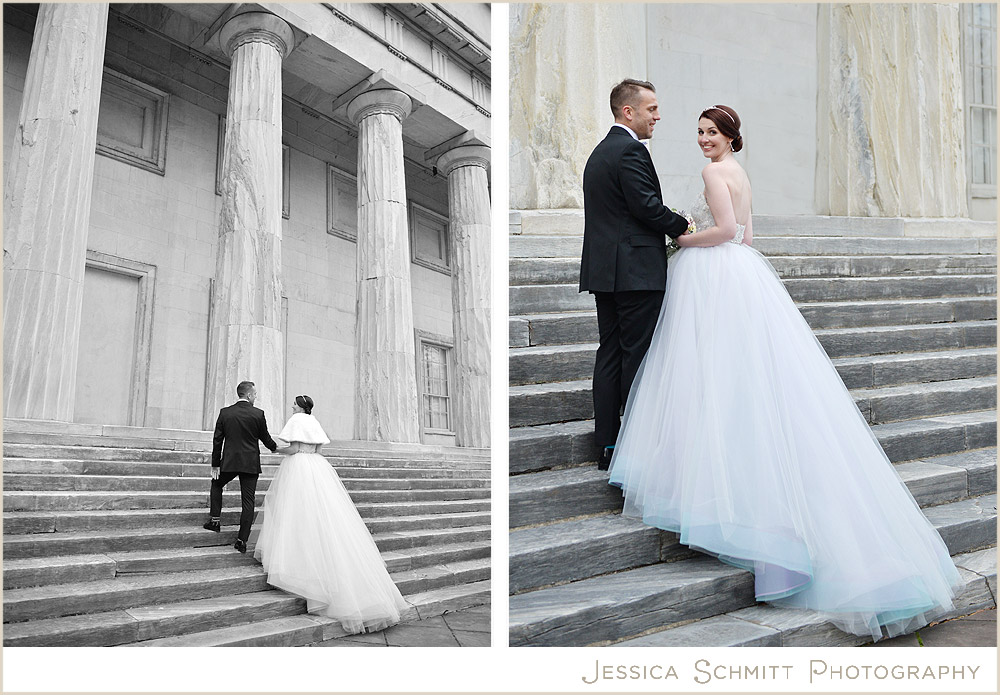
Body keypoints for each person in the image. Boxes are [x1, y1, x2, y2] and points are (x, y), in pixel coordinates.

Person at [607, 105, 962, 640]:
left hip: (715, 275)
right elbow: (748, 236)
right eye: (700, 133)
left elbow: (726, 231)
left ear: (730, 137)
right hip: (745, 274)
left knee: (709, 373)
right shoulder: (741, 173)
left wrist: (683, 240)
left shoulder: (712, 173)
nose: (704, 140)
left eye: (712, 133)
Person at [579, 78, 691, 470]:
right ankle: (635, 447)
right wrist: (684, 225)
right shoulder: (630, 151)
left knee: (609, 355)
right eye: (652, 109)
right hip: (636, 273)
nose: (657, 116)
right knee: (639, 358)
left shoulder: (599, 153)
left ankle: (607, 445)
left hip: (604, 273)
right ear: (629, 111)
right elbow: (646, 207)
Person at [253, 395, 407, 634]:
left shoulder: (296, 419)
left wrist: (275, 449)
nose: (292, 406)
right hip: (318, 466)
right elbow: (320, 447)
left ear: (301, 406)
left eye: (294, 403)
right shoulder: (314, 421)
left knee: (297, 513)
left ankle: (301, 566)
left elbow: (293, 448)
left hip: (299, 468)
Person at [205, 380, 277, 553]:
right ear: (249, 394)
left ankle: (215, 521)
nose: (256, 397)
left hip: (229, 462)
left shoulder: (225, 413)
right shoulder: (258, 414)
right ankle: (242, 540)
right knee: (248, 500)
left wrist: (216, 464)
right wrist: (278, 448)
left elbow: (217, 441)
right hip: (250, 463)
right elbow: (266, 439)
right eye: (255, 394)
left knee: (216, 484)